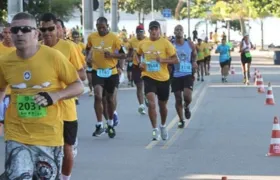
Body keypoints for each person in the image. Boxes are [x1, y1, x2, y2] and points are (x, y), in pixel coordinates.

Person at [0, 12, 84, 180]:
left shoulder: (53, 57)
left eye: (25, 29)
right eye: (14, 30)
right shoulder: (5, 62)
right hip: (17, 135)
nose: (19, 34)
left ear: (35, 33)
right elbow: (1, 89)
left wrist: (56, 95)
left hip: (49, 136)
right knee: (18, 176)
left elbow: (78, 85)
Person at [39, 13, 86, 180]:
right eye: (43, 29)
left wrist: (64, 76)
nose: (47, 32)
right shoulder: (36, 49)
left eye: (51, 28)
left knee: (67, 148)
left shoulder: (69, 47)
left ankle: (65, 178)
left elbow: (82, 75)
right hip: (43, 108)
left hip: (66, 107)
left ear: (58, 29)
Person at [137, 21, 178, 141]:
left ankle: (163, 125)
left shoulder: (166, 43)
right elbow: (137, 54)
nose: (154, 31)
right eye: (152, 29)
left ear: (159, 30)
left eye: (156, 29)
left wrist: (163, 60)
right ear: (149, 31)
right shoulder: (143, 43)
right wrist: (140, 63)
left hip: (163, 78)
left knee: (162, 106)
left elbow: (175, 60)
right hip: (148, 76)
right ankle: (154, 129)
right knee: (151, 103)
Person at [86, 17, 126, 138]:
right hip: (97, 71)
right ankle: (99, 124)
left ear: (107, 26)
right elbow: (87, 49)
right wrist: (87, 57)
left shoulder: (114, 38)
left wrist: (112, 55)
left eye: (103, 27)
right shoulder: (92, 37)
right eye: (99, 28)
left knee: (109, 99)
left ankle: (110, 122)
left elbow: (124, 54)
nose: (101, 30)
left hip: (111, 72)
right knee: (98, 96)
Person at [171, 25, 197, 128]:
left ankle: (186, 106)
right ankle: (181, 119)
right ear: (174, 32)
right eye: (176, 30)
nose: (178, 31)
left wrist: (194, 62)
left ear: (183, 32)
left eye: (180, 30)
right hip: (176, 74)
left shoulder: (189, 44)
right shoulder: (171, 44)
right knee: (178, 98)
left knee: (187, 96)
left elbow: (194, 54)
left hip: (187, 73)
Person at [127, 25, 148, 115]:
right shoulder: (132, 41)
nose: (139, 34)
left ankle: (147, 96)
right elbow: (129, 52)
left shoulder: (148, 40)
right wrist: (128, 57)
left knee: (147, 86)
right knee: (139, 86)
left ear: (144, 32)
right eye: (138, 32)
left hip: (147, 67)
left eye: (141, 32)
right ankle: (141, 105)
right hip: (136, 66)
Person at [0, 25, 16, 126]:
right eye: (5, 33)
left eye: (10, 33)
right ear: (2, 33)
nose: (8, 35)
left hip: (15, 92)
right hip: (1, 91)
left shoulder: (20, 50)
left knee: (13, 122)